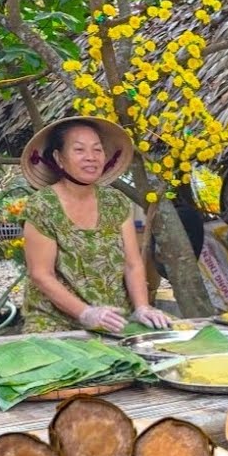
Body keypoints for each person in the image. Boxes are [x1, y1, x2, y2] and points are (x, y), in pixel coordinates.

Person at [19, 116, 172, 334]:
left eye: (97, 150)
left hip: (114, 319)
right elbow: (41, 275)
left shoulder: (115, 202)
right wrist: (86, 313)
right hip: (54, 321)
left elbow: (132, 264)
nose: (91, 157)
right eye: (79, 150)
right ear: (59, 158)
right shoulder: (42, 206)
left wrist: (142, 307)